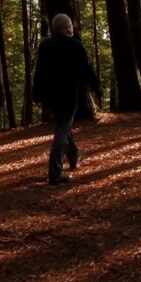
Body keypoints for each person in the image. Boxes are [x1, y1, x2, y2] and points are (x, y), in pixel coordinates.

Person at [32, 13, 102, 186]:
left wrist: (37, 95)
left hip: (51, 97)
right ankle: (54, 173)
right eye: (70, 25)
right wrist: (97, 88)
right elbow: (86, 70)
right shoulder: (74, 46)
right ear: (66, 28)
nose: (72, 28)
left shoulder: (45, 46)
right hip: (68, 95)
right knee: (62, 130)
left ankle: (74, 154)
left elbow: (39, 72)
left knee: (65, 127)